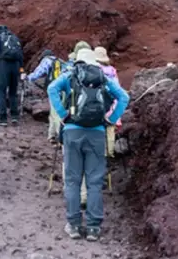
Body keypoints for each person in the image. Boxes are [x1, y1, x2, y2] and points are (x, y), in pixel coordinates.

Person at [48, 48, 129, 242]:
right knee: (94, 182)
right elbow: (124, 97)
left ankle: (74, 225)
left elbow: (51, 89)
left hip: (72, 131)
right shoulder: (103, 78)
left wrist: (63, 115)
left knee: (73, 180)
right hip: (97, 133)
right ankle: (93, 228)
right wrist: (112, 119)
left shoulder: (70, 75)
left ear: (78, 61)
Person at [25, 49, 72, 141]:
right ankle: (52, 135)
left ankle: (60, 135)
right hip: (64, 89)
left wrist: (27, 78)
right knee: (54, 112)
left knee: (55, 113)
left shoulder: (47, 60)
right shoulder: (60, 61)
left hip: (55, 89)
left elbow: (37, 73)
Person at [0, 25, 24, 126]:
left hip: (4, 65)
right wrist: (21, 69)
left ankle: (3, 118)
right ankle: (14, 117)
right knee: (13, 92)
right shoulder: (15, 38)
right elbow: (20, 55)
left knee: (1, 91)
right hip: (16, 66)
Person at [93, 46, 121, 158]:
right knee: (110, 127)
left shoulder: (95, 69)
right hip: (112, 103)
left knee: (99, 127)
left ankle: (100, 152)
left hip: (99, 102)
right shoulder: (112, 71)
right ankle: (110, 152)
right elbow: (118, 89)